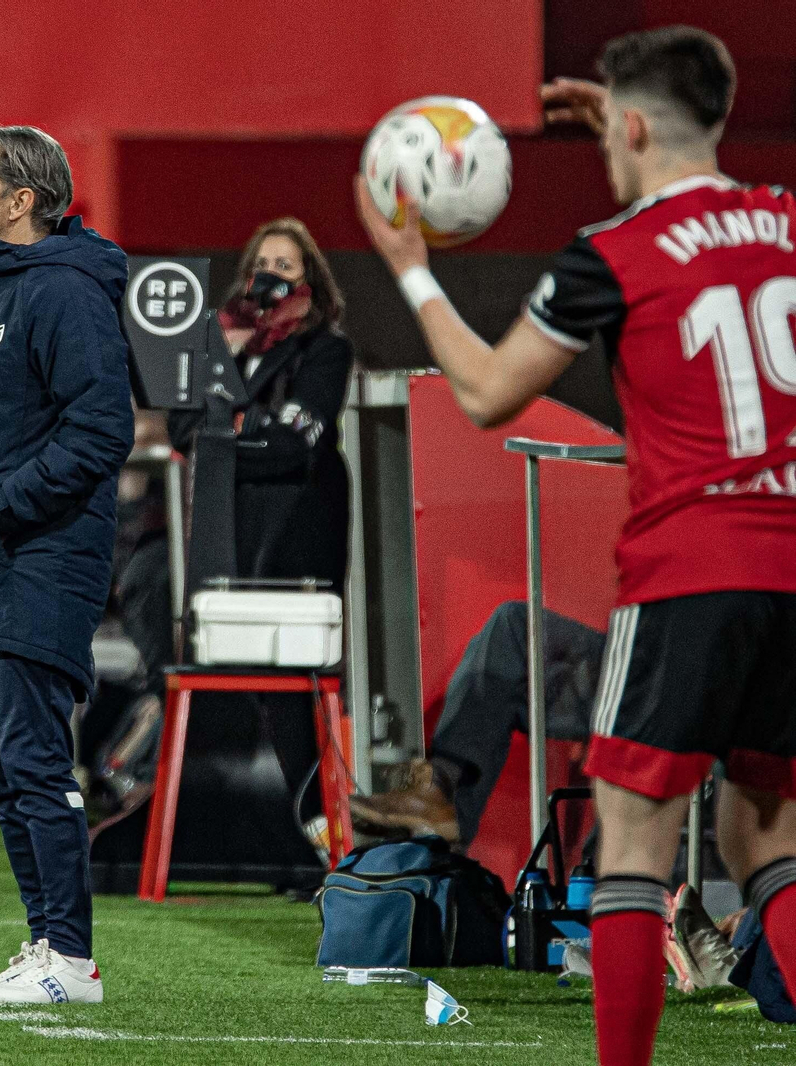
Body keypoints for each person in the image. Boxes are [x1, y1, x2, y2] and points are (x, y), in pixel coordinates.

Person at [358, 27, 796, 1066]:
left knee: (636, 842)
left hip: (689, 568)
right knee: (765, 834)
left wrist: (410, 271)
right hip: (791, 565)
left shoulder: (612, 252)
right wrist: (634, 125)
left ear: (630, 127)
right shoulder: (786, 221)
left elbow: (485, 392)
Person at [0, 126, 133, 1005]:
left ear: (20, 201)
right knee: (5, 772)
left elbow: (102, 431)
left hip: (37, 559)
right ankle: (47, 945)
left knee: (36, 764)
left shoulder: (63, 292)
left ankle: (71, 961)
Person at [170, 217, 352, 591]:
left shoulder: (324, 349)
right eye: (262, 265)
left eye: (284, 266)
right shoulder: (225, 345)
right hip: (224, 531)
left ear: (309, 279)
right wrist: (225, 356)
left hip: (295, 533)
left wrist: (221, 440)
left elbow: (292, 444)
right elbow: (181, 429)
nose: (270, 275)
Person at [350, 601, 607, 847]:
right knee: (511, 639)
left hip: (631, 675)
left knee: (513, 629)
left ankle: (441, 797)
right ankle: (440, 812)